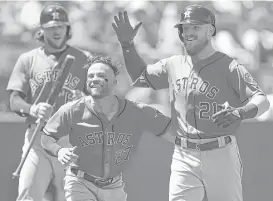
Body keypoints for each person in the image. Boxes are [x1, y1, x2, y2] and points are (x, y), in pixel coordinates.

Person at [112, 4, 270, 201]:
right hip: (183, 153)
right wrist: (127, 46)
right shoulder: (173, 64)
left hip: (220, 152)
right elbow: (140, 77)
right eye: (184, 28)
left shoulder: (229, 66)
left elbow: (262, 100)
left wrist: (241, 112)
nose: (188, 32)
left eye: (195, 27)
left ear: (211, 30)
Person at [40, 55, 171, 201]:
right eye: (91, 76)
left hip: (114, 186)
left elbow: (173, 133)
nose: (95, 78)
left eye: (102, 75)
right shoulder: (71, 110)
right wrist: (59, 150)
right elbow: (46, 138)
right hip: (80, 182)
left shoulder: (136, 110)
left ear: (115, 81)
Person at [6, 3, 91, 201]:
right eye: (51, 27)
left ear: (68, 29)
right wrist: (32, 109)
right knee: (27, 194)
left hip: (72, 140)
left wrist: (85, 102)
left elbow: (100, 98)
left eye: (61, 26)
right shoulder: (27, 59)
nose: (57, 31)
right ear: (41, 31)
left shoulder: (83, 59)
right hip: (38, 137)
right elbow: (14, 100)